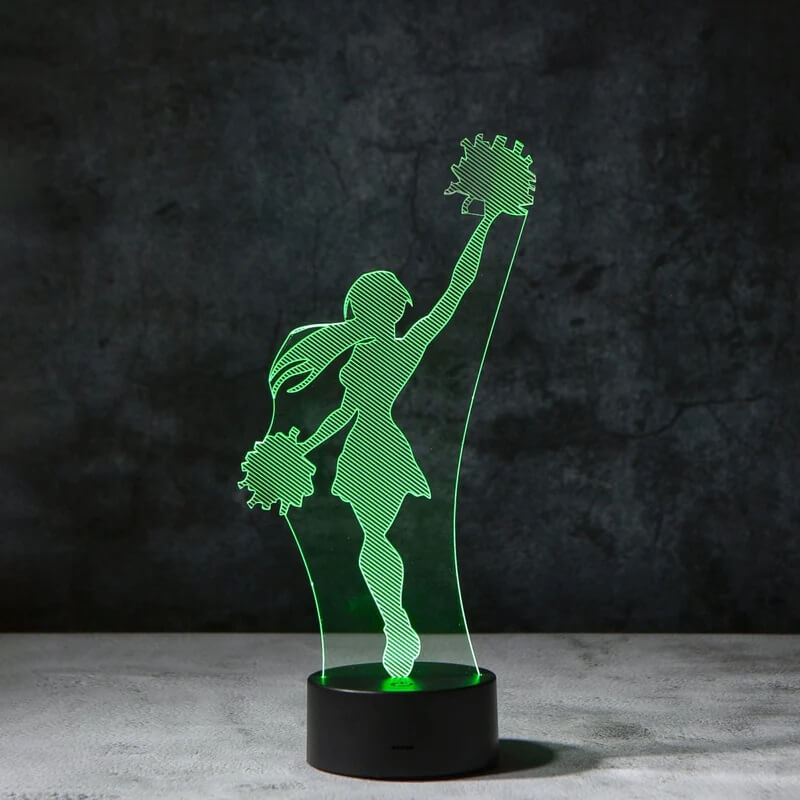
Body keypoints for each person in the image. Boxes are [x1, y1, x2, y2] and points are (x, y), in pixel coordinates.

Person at [268, 199, 508, 677]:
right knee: (372, 538)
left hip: (382, 448)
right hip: (361, 448)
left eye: (378, 309)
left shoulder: (404, 348)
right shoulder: (358, 353)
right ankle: (396, 623)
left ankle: (398, 624)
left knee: (376, 537)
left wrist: (485, 221)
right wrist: (300, 450)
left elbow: (456, 289)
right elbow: (345, 412)